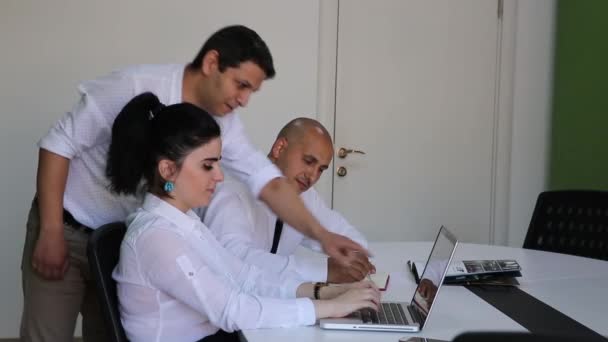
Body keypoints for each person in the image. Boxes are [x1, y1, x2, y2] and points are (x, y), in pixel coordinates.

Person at [20, 25, 367, 341]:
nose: (244, 99)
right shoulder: (135, 87)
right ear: (212, 63)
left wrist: (323, 243)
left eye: (253, 91)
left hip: (123, 233)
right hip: (68, 224)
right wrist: (50, 230)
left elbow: (268, 183)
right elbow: (57, 145)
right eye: (241, 84)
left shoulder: (215, 139)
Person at [108, 93, 381, 341]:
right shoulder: (157, 237)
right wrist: (330, 307)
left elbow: (244, 277)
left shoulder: (184, 221)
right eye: (207, 166)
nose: (220, 175)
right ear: (168, 170)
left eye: (218, 162)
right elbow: (232, 308)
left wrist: (322, 293)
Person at [203, 118, 375, 283]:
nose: (312, 176)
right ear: (279, 148)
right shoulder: (232, 189)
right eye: (308, 161)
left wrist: (356, 258)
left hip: (276, 300)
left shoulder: (305, 194)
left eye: (321, 169)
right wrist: (323, 271)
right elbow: (232, 260)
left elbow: (337, 231)